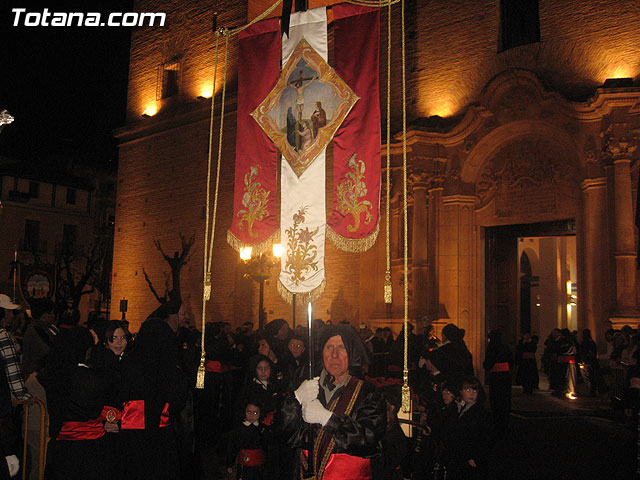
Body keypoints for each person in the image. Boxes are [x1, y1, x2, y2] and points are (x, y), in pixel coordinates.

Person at [276, 324, 386, 480]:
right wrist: (295, 399)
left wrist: (327, 419)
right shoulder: (307, 384)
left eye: (341, 348)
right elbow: (283, 434)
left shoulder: (367, 393)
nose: (334, 355)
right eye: (329, 347)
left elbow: (369, 440)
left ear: (351, 353)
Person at [440, 376, 492, 480]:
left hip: (470, 459)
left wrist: (474, 457)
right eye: (467, 389)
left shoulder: (480, 412)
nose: (471, 393)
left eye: (474, 390)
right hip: (460, 457)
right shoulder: (460, 408)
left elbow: (485, 437)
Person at [226, 400, 269, 480]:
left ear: (260, 414)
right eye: (249, 412)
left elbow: (267, 447)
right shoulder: (239, 429)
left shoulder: (263, 429)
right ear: (244, 412)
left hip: (259, 467)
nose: (252, 415)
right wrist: (230, 463)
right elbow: (232, 446)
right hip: (244, 465)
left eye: (255, 413)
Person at [482, 330, 513, 434]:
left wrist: (486, 366)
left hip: (496, 376)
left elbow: (488, 363)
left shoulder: (492, 347)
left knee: (496, 399)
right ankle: (505, 420)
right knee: (505, 398)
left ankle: (497, 421)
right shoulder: (505, 347)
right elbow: (511, 360)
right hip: (506, 376)